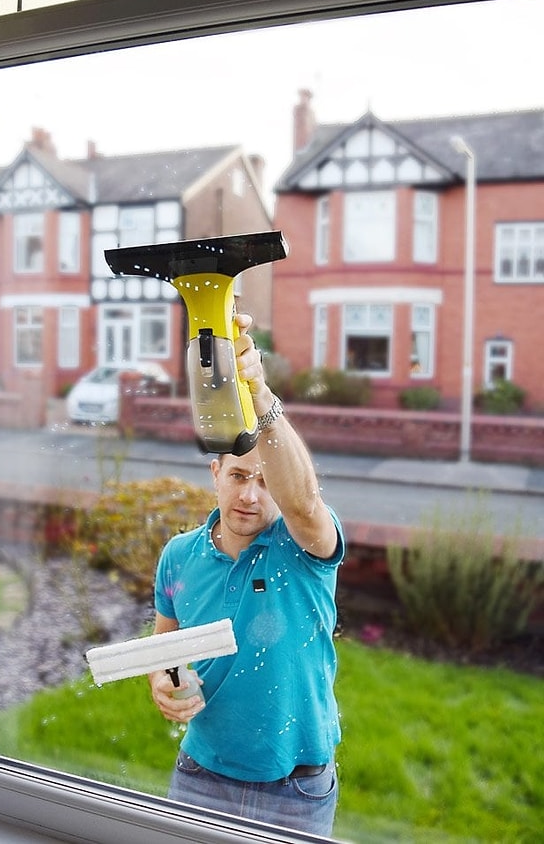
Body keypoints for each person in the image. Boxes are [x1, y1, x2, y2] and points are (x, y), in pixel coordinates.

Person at [148, 314, 345, 837]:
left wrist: (260, 397)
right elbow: (165, 647)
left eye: (264, 481)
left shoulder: (305, 546)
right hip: (200, 775)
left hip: (296, 786)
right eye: (237, 475)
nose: (250, 496)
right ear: (215, 472)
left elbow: (303, 502)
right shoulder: (178, 556)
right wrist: (166, 683)